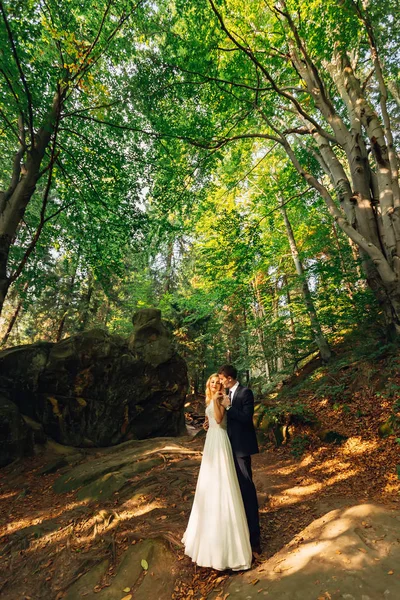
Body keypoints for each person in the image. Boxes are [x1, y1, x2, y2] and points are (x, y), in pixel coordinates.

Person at [182, 374, 252, 571]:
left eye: (217, 381)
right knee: (209, 484)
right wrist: (206, 424)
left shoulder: (220, 397)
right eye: (211, 382)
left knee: (222, 483)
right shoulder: (211, 398)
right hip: (211, 440)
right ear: (208, 384)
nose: (214, 384)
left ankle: (229, 551)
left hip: (220, 441)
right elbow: (212, 420)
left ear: (221, 383)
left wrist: (215, 402)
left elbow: (220, 419)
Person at [217, 365, 261, 554]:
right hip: (228, 449)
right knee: (233, 492)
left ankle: (255, 539)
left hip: (242, 449)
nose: (220, 381)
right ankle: (240, 536)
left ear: (228, 378)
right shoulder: (225, 394)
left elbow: (245, 418)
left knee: (247, 490)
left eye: (221, 378)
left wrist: (228, 406)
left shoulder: (245, 393)